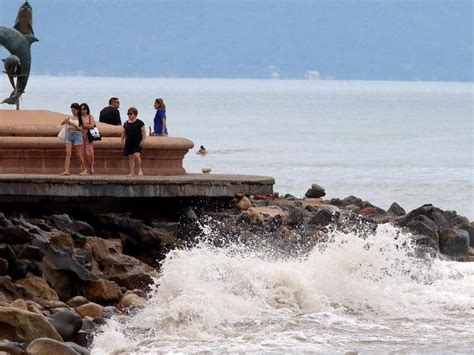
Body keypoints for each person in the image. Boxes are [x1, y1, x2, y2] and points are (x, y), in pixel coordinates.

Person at [60, 103, 87, 176]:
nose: (73, 112)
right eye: (72, 110)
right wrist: (66, 121)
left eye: (74, 110)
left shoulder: (81, 118)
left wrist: (74, 125)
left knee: (78, 154)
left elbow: (81, 129)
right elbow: (62, 123)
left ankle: (84, 169)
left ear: (78, 110)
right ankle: (66, 170)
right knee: (68, 153)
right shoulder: (70, 117)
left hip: (77, 135)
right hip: (69, 135)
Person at [121, 107, 146, 176]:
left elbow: (144, 132)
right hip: (129, 142)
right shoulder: (126, 123)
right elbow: (123, 133)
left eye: (130, 114)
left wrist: (143, 140)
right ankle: (132, 172)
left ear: (135, 114)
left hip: (137, 142)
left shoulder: (139, 122)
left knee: (136, 156)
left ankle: (139, 170)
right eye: (128, 114)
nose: (129, 115)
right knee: (130, 157)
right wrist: (122, 141)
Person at [79, 103, 96, 174]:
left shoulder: (90, 116)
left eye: (84, 109)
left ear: (87, 109)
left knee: (89, 153)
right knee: (82, 153)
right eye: (81, 109)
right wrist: (85, 126)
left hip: (89, 137)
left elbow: (92, 125)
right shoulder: (79, 117)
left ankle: (91, 165)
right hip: (81, 137)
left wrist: (84, 125)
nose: (83, 110)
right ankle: (85, 168)